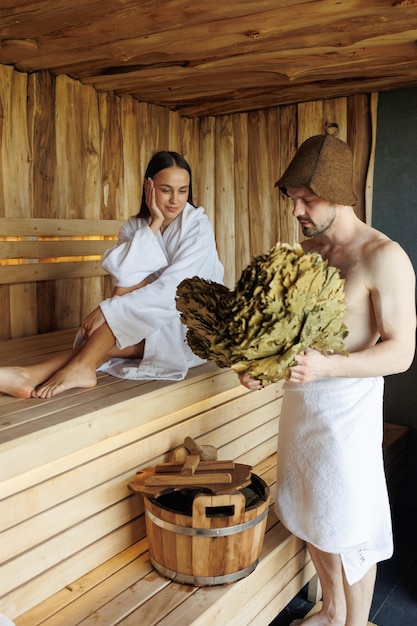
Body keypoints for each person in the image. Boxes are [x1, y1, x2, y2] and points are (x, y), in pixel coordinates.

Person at [239, 125, 416, 626]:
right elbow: (290, 338)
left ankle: (356, 624)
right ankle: (332, 609)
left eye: (309, 200)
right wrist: (261, 368)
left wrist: (328, 367)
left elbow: (401, 352)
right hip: (301, 406)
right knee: (309, 510)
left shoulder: (383, 257)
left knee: (350, 523)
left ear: (341, 196)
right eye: (294, 199)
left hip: (348, 412)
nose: (297, 211)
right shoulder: (309, 256)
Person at [0, 151, 224, 399]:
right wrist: (154, 224)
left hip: (193, 326)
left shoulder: (198, 226)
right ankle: (37, 373)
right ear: (148, 186)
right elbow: (126, 280)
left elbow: (177, 290)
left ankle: (40, 372)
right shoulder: (135, 226)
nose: (175, 200)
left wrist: (108, 310)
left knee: (107, 336)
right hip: (152, 318)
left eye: (183, 190)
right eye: (166, 189)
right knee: (106, 340)